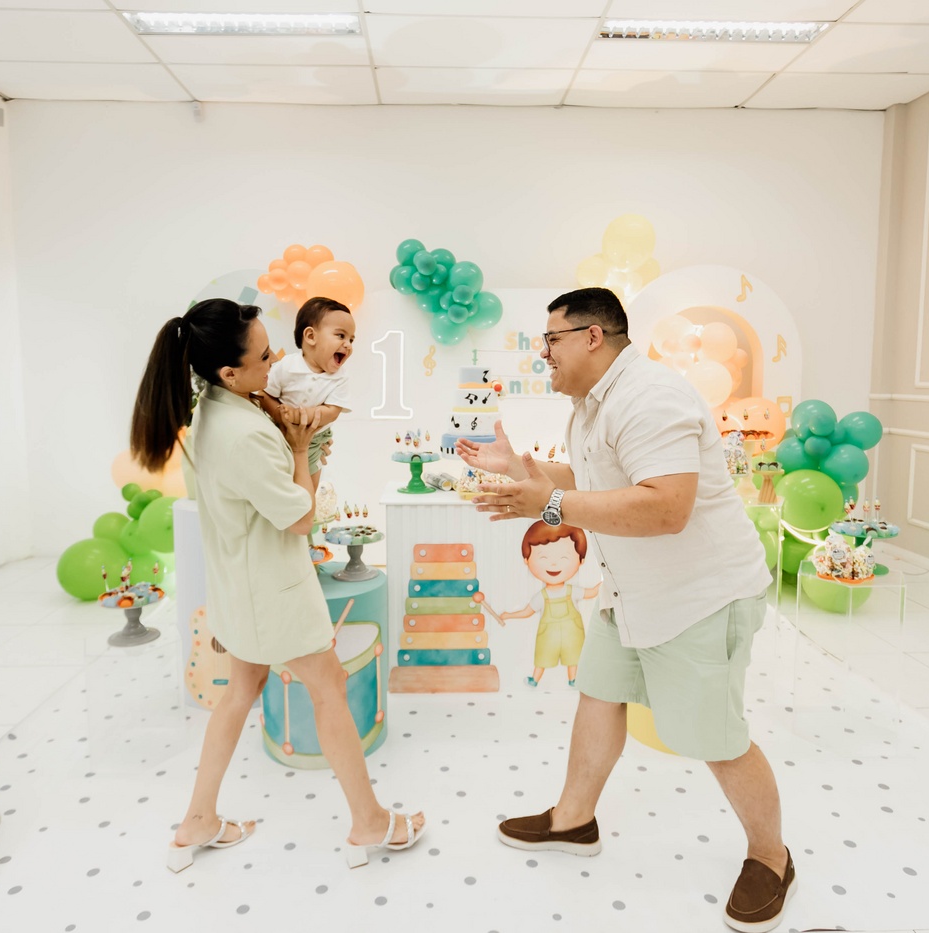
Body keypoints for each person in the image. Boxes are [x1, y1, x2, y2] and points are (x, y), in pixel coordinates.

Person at [461, 287, 793, 932]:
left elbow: (667, 507)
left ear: (592, 337)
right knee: (599, 695)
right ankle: (572, 821)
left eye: (551, 340)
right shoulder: (592, 405)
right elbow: (596, 481)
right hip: (633, 592)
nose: (544, 353)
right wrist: (524, 470)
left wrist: (546, 505)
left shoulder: (651, 397)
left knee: (715, 738)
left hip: (700, 596)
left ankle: (771, 857)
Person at [130, 298, 425, 873]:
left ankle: (198, 820)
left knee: (240, 691)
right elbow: (300, 518)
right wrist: (300, 448)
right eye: (265, 356)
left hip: (238, 586)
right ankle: (368, 822)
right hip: (273, 591)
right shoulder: (245, 434)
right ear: (229, 372)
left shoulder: (213, 410)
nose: (276, 361)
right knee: (329, 686)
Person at [481, 521, 601, 688]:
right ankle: (535, 679)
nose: (553, 564)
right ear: (526, 559)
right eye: (543, 558)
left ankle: (573, 679)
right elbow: (527, 612)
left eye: (564, 558)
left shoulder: (572, 591)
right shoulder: (541, 596)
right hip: (548, 635)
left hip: (572, 633)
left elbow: (592, 592)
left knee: (573, 655)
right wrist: (509, 615)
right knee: (543, 656)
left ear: (581, 560)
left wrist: (608, 581)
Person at [258, 297, 356, 494]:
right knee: (279, 477)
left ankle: (307, 505)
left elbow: (332, 411)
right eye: (341, 335)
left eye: (351, 339)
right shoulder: (286, 366)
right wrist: (279, 414)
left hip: (315, 438)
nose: (348, 345)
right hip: (278, 432)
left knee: (307, 486)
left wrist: (299, 416)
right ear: (311, 336)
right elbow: (265, 394)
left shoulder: (340, 377)